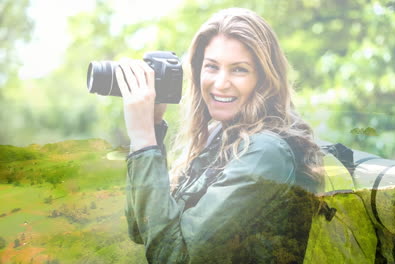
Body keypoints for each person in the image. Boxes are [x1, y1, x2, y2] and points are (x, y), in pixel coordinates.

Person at [115, 8, 325, 264]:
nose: (221, 83)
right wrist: (152, 128)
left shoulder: (267, 153)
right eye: (211, 67)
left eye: (239, 70)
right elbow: (142, 229)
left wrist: (143, 137)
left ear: (264, 79)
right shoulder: (220, 136)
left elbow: (173, 256)